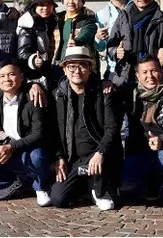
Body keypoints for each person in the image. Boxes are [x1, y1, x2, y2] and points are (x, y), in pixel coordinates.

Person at [48, 45, 121, 210]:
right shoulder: (57, 95)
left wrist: (100, 152)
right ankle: (86, 184)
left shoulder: (103, 91)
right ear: (64, 70)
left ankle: (99, 187)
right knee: (58, 199)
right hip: (72, 157)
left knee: (107, 204)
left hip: (98, 154)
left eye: (82, 65)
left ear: (90, 68)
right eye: (72, 66)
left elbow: (112, 128)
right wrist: (58, 157)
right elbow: (52, 131)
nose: (77, 70)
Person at [0, 59, 52, 206]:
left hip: (26, 149)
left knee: (38, 156)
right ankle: (9, 184)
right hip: (5, 150)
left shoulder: (32, 96)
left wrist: (11, 147)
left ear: (21, 77)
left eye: (11, 74)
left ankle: (40, 186)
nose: (7, 79)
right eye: (2, 76)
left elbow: (38, 133)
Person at [118, 55, 163, 214]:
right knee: (128, 191)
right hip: (139, 152)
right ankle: (152, 184)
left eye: (154, 71)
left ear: (161, 71)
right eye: (145, 72)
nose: (150, 76)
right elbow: (110, 91)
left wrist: (162, 140)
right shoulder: (130, 93)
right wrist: (106, 84)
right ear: (137, 75)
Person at [105, 0, 163, 88]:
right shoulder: (124, 17)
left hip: (153, 80)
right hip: (126, 78)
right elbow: (110, 46)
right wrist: (116, 51)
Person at [52, 0, 98, 67]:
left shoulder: (89, 18)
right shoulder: (57, 20)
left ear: (82, 1)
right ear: (63, 1)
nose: (71, 2)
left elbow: (87, 32)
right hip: (58, 66)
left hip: (79, 67)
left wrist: (77, 41)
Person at [17, 0, 57, 81]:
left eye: (48, 4)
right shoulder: (27, 26)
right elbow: (22, 53)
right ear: (34, 7)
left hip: (52, 72)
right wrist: (34, 59)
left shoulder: (53, 22)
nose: (45, 8)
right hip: (34, 76)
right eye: (41, 5)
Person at [95, 0, 131, 77]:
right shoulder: (100, 15)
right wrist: (98, 38)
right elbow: (101, 48)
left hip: (137, 67)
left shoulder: (137, 10)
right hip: (114, 70)